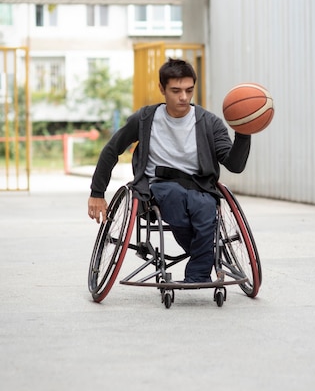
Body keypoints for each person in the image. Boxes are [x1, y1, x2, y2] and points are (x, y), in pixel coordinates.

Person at [88, 57, 251, 283]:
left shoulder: (210, 123)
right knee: (175, 197)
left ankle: (198, 275)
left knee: (205, 209)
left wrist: (244, 133)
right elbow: (111, 150)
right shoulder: (145, 119)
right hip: (159, 185)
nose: (183, 97)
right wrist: (97, 193)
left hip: (200, 185)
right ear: (162, 89)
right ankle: (203, 258)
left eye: (189, 90)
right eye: (175, 91)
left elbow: (235, 165)